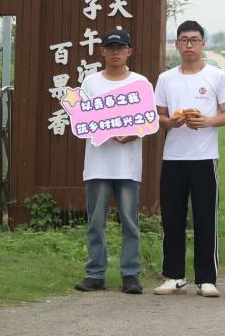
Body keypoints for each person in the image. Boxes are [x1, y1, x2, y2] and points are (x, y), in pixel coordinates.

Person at [153, 20, 225, 298]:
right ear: (176, 44)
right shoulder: (166, 78)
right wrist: (171, 122)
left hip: (205, 157)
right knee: (172, 218)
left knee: (205, 218)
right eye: (184, 40)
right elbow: (159, 115)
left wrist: (206, 120)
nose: (189, 45)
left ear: (203, 44)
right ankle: (174, 275)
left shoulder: (217, 76)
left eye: (194, 40)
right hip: (173, 156)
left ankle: (206, 278)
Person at [74, 29, 146, 295]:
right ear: (102, 51)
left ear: (129, 51)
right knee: (95, 222)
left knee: (130, 222)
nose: (116, 52)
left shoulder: (140, 83)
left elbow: (147, 121)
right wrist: (103, 130)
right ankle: (95, 273)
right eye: (110, 47)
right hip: (98, 164)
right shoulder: (91, 83)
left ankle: (130, 274)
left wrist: (133, 133)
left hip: (128, 166)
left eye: (121, 47)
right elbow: (82, 119)